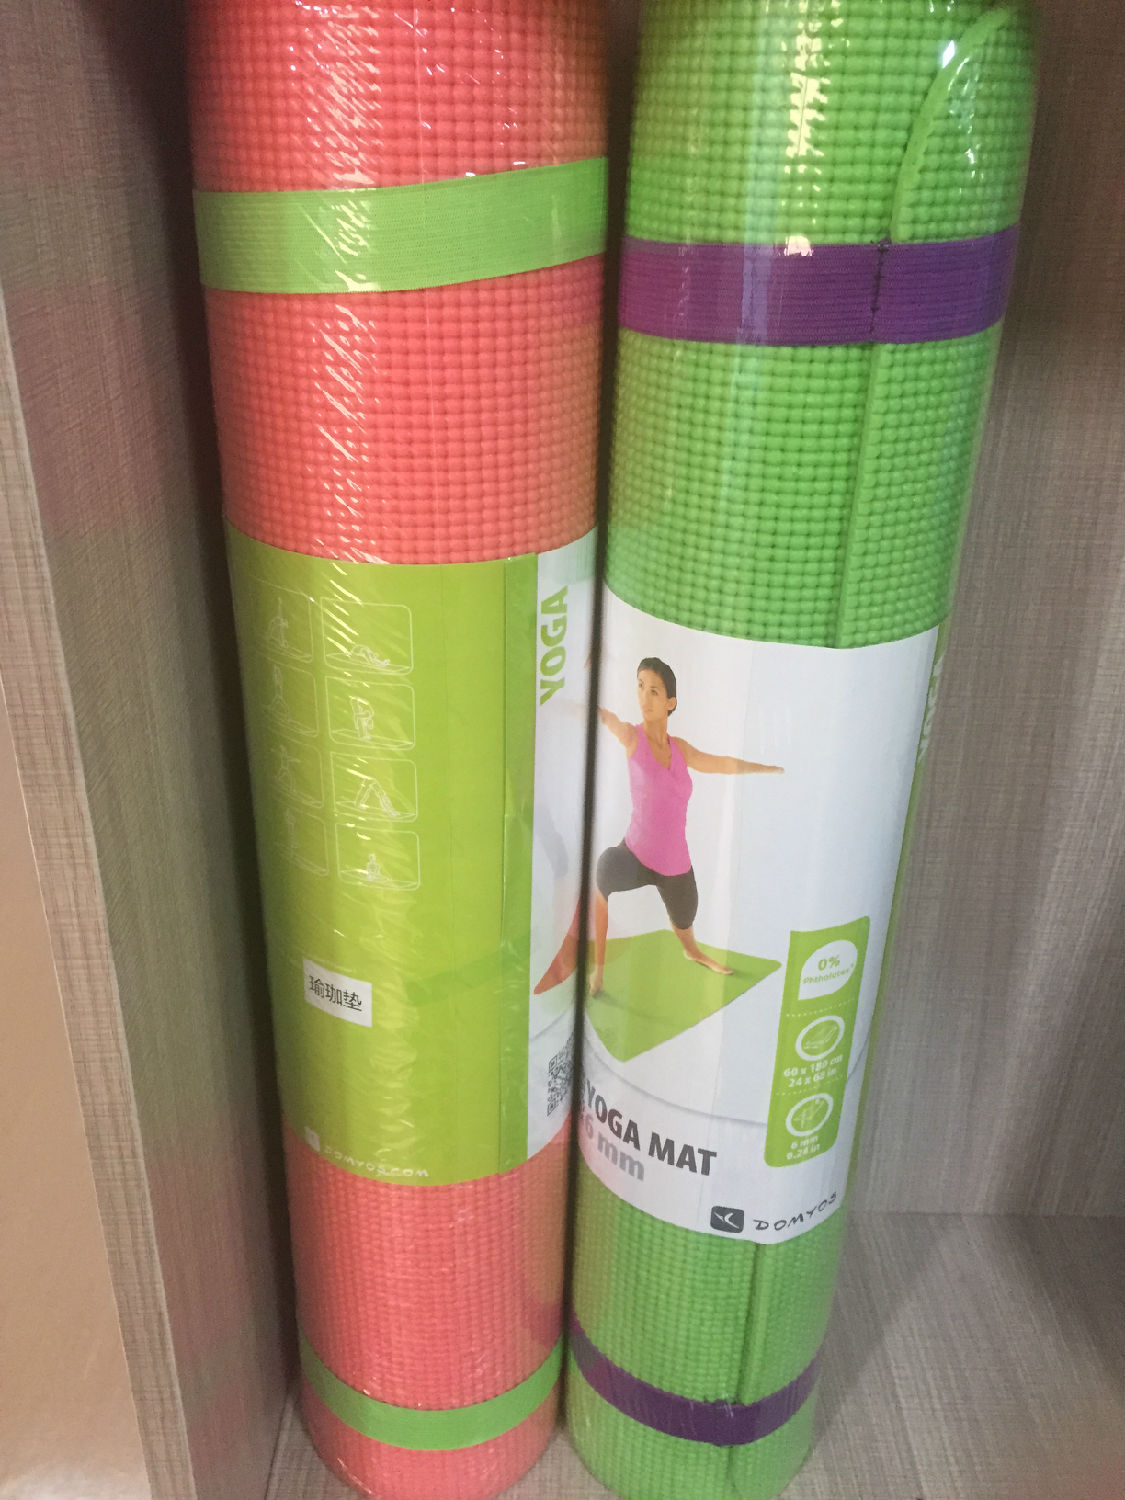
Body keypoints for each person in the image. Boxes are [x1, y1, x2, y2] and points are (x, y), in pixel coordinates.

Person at [533, 657, 782, 995]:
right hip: (634, 854)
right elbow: (605, 717)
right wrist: (560, 706)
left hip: (675, 864)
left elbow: (721, 763)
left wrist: (766, 768)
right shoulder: (632, 738)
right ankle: (598, 971)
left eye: (654, 691)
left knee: (686, 921)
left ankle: (693, 952)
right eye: (640, 687)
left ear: (670, 702)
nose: (644, 698)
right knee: (604, 869)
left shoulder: (681, 749)